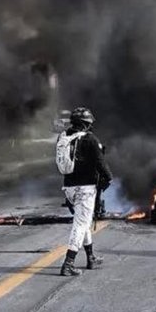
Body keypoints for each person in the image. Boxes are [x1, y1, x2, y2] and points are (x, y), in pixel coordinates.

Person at [54, 106, 112, 276]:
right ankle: (68, 263)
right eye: (89, 123)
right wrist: (107, 179)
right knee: (80, 224)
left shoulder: (63, 137)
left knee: (84, 221)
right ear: (85, 124)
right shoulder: (90, 139)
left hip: (69, 188)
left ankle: (91, 257)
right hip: (85, 189)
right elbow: (101, 164)